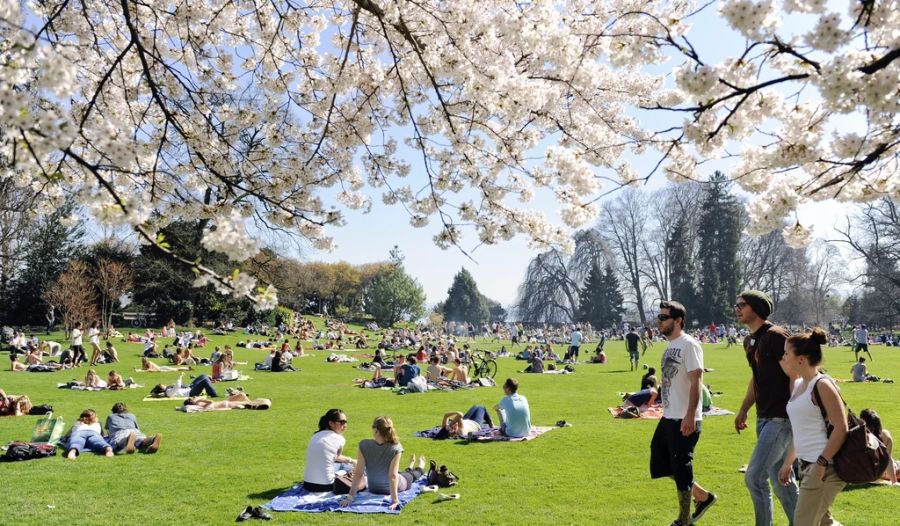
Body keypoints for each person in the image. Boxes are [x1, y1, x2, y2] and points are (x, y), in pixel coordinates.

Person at [733, 290, 798, 526]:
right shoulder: (750, 340)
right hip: (764, 418)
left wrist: (795, 410)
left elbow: (796, 372)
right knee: (782, 483)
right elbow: (756, 379)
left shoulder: (776, 335)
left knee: (754, 477)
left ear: (756, 309)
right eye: (736, 305)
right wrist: (743, 409)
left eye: (742, 305)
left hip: (781, 419)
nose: (737, 309)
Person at [650, 300, 716, 526]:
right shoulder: (669, 346)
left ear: (678, 321)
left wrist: (690, 415)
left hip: (685, 417)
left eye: (663, 317)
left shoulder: (690, 345)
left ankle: (684, 519)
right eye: (659, 317)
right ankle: (703, 497)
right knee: (661, 462)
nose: (659, 321)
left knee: (681, 465)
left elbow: (697, 381)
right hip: (669, 416)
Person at [778, 329, 849, 526]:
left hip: (825, 468)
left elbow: (841, 428)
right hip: (807, 464)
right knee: (824, 522)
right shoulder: (800, 384)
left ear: (801, 359)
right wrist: (788, 462)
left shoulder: (822, 384)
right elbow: (802, 430)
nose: (783, 358)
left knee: (803, 522)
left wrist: (821, 463)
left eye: (786, 353)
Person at [340, 416, 426, 511]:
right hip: (397, 485)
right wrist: (394, 500)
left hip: (373, 488)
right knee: (412, 475)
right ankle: (420, 467)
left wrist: (350, 497)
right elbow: (392, 476)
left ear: (376, 430)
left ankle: (412, 466)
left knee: (403, 474)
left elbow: (359, 473)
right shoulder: (396, 447)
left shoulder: (364, 445)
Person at [303, 409, 356, 492]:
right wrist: (352, 461)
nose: (345, 425)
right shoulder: (339, 438)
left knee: (343, 464)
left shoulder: (315, 435)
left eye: (346, 422)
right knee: (346, 466)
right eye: (341, 422)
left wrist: (350, 460)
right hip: (327, 485)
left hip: (308, 484)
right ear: (331, 423)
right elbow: (336, 457)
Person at [859, 409, 899, 485]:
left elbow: (888, 460)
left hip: (889, 470)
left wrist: (894, 482)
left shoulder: (885, 436)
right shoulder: (860, 436)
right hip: (881, 472)